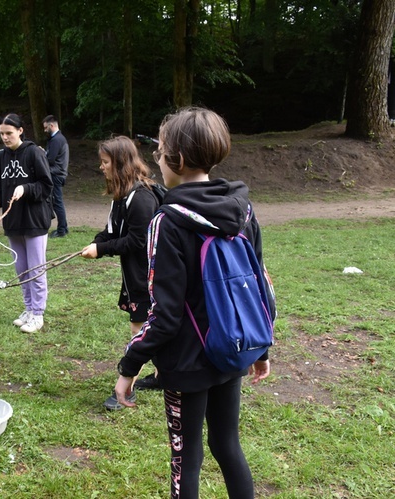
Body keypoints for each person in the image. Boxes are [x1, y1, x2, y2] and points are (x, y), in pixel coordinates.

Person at [113, 107, 273, 498]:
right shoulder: (243, 210)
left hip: (185, 362)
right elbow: (261, 286)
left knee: (187, 457)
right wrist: (260, 347)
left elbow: (163, 316)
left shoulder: (166, 222)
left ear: (177, 160)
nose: (156, 157)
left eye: (159, 149)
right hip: (231, 349)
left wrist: (129, 365)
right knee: (228, 445)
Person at [81, 136, 162, 410]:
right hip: (134, 275)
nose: (101, 167)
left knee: (139, 329)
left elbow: (137, 242)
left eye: (105, 162)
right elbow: (112, 232)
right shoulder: (122, 196)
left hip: (150, 278)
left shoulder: (141, 198)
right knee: (151, 327)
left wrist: (101, 249)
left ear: (120, 163)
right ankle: (162, 375)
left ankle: (126, 388)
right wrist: (96, 242)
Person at [0, 113, 53, 333]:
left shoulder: (34, 153)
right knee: (22, 270)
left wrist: (26, 188)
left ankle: (38, 314)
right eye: (2, 133)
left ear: (20, 131)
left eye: (9, 133)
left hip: (34, 221)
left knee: (35, 269)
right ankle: (29, 309)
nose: (5, 137)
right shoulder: (1, 156)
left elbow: (46, 185)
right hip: (13, 221)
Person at [42, 115, 69, 238]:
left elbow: (50, 160)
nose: (45, 130)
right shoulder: (59, 139)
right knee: (57, 201)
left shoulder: (56, 140)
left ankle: (62, 230)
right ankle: (64, 228)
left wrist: (42, 155)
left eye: (46, 127)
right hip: (59, 173)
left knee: (57, 202)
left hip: (56, 174)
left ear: (51, 125)